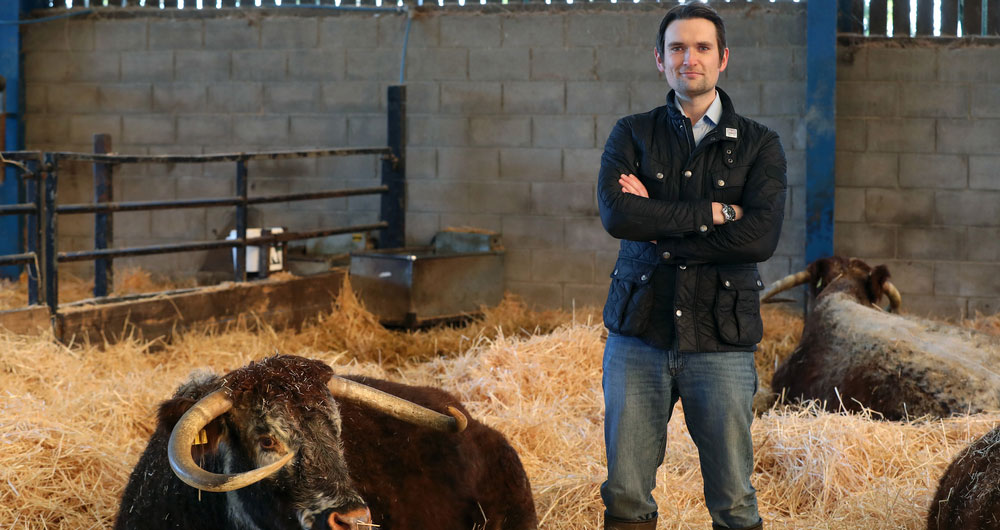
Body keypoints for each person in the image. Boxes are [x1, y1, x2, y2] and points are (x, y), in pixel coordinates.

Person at [596, 4, 787, 530]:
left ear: (723, 58)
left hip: (721, 339)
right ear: (659, 60)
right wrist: (716, 214)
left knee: (732, 498)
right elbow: (617, 214)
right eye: (677, 48)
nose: (689, 59)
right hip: (639, 335)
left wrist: (658, 226)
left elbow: (762, 237)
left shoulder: (760, 144)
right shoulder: (631, 133)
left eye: (702, 47)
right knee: (626, 495)